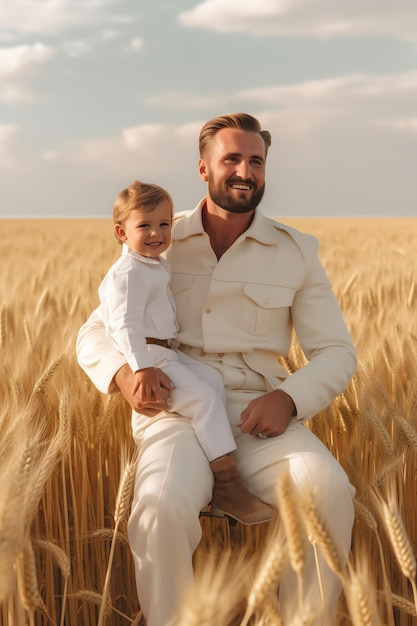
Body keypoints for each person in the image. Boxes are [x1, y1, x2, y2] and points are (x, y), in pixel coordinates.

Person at [77, 112, 357, 626]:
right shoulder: (157, 235)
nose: (244, 171)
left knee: (329, 491)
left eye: (256, 161)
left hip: (258, 415)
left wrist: (289, 399)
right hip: (175, 414)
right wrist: (125, 375)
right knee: (158, 510)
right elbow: (96, 331)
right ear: (203, 169)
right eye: (231, 159)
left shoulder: (296, 252)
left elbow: (337, 351)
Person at [96, 179, 274, 526]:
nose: (156, 233)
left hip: (167, 352)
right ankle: (228, 486)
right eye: (143, 225)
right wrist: (141, 369)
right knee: (205, 398)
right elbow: (123, 324)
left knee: (211, 380)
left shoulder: (153, 264)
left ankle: (214, 448)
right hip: (151, 356)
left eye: (164, 224)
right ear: (121, 232)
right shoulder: (128, 274)